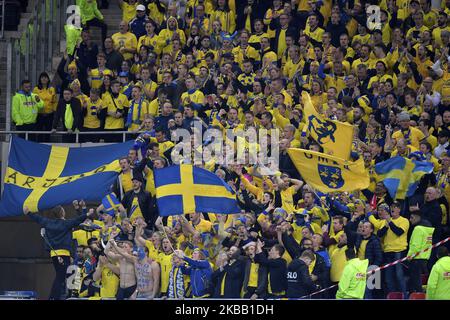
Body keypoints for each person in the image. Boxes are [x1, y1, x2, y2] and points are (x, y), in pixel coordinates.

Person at [24, 204, 95, 300]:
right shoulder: (66, 223)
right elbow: (77, 220)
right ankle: (55, 297)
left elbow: (38, 218)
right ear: (62, 212)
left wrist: (28, 213)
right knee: (63, 276)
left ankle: (56, 297)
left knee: (61, 276)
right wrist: (87, 213)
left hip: (54, 254)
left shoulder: (49, 222)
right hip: (63, 254)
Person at [407, 211, 435, 293]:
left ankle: (419, 296)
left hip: (416, 258)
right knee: (418, 281)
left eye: (412, 217)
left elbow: (415, 246)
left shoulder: (418, 228)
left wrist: (409, 256)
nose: (410, 220)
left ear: (417, 217)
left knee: (415, 282)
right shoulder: (428, 229)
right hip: (425, 258)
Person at [33, 72, 57, 142]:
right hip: (39, 114)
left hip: (49, 114)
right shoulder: (36, 89)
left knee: (48, 133)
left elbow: (54, 101)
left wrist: (54, 110)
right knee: (39, 132)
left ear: (48, 79)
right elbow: (34, 101)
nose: (44, 79)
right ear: (40, 79)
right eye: (42, 77)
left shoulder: (51, 88)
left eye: (45, 77)